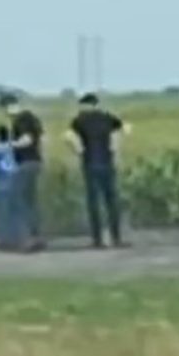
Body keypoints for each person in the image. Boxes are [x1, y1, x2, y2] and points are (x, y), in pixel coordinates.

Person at [66, 93, 128, 248]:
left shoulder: (79, 120)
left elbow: (68, 136)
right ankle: (116, 238)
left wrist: (78, 150)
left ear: (86, 105)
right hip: (107, 162)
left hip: (90, 163)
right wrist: (115, 147)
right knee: (111, 201)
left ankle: (98, 239)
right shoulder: (107, 117)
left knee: (93, 203)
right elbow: (124, 129)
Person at [0, 93, 46, 251]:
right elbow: (41, 138)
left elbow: (27, 140)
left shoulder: (21, 119)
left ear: (8, 106)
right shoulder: (32, 117)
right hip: (36, 162)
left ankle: (24, 240)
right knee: (30, 201)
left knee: (17, 200)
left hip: (26, 163)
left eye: (4, 109)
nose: (4, 113)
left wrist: (8, 145)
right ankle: (36, 237)